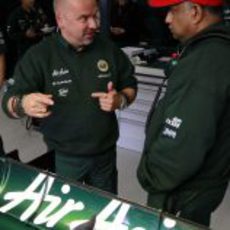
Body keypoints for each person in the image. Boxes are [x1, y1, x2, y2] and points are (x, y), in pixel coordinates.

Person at [2, 0, 137, 194]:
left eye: (95, 16)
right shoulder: (40, 56)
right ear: (60, 19)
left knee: (104, 214)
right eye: (84, 18)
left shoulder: (109, 49)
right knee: (67, 218)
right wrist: (23, 103)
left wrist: (121, 100)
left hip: (105, 156)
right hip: (63, 158)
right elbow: (8, 103)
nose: (94, 25)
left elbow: (130, 85)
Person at [137, 0, 230, 226]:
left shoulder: (205, 61)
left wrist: (151, 176)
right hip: (200, 187)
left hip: (180, 194)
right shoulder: (214, 50)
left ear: (195, 12)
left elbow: (183, 139)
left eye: (172, 10)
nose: (167, 19)